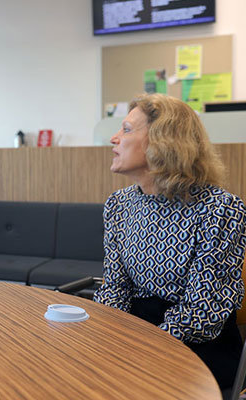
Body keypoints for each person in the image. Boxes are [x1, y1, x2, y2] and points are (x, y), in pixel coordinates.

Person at [93, 93, 246, 390]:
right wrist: (107, 335)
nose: (114, 138)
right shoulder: (118, 205)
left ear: (163, 142)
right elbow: (115, 288)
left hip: (197, 347)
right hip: (137, 333)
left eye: (125, 129)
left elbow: (202, 312)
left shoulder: (219, 209)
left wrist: (142, 348)